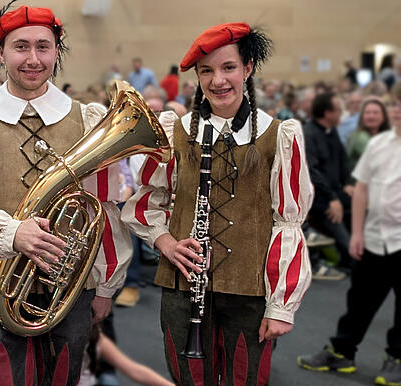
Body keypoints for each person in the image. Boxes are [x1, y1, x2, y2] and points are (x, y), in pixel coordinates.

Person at [0, 0, 130, 386]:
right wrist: (14, 234)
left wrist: (107, 284)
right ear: (1, 52)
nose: (33, 58)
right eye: (20, 46)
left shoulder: (89, 119)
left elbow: (105, 207)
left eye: (43, 46)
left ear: (56, 50)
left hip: (72, 285)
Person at [123, 22, 313, 385]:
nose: (218, 81)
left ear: (248, 69)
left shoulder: (279, 135)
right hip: (184, 286)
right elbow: (147, 200)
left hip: (250, 290)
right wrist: (166, 243)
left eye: (228, 68)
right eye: (206, 71)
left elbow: (287, 222)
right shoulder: (177, 132)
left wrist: (281, 306)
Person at [298, 84, 401, 385]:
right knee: (359, 301)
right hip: (372, 236)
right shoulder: (379, 143)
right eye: (395, 105)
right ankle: (342, 353)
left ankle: (397, 358)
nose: (396, 110)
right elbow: (362, 189)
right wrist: (356, 232)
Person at [304, 92, 353, 267]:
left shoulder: (331, 132)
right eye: (338, 111)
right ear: (327, 113)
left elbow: (342, 161)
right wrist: (332, 199)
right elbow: (312, 171)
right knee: (348, 246)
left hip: (336, 192)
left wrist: (348, 183)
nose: (341, 114)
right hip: (320, 198)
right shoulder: (308, 134)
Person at [345, 98, 390, 173]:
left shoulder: (385, 135)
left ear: (384, 116)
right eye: (367, 113)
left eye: (376, 113)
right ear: (362, 117)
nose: (371, 116)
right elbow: (379, 163)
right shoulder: (359, 136)